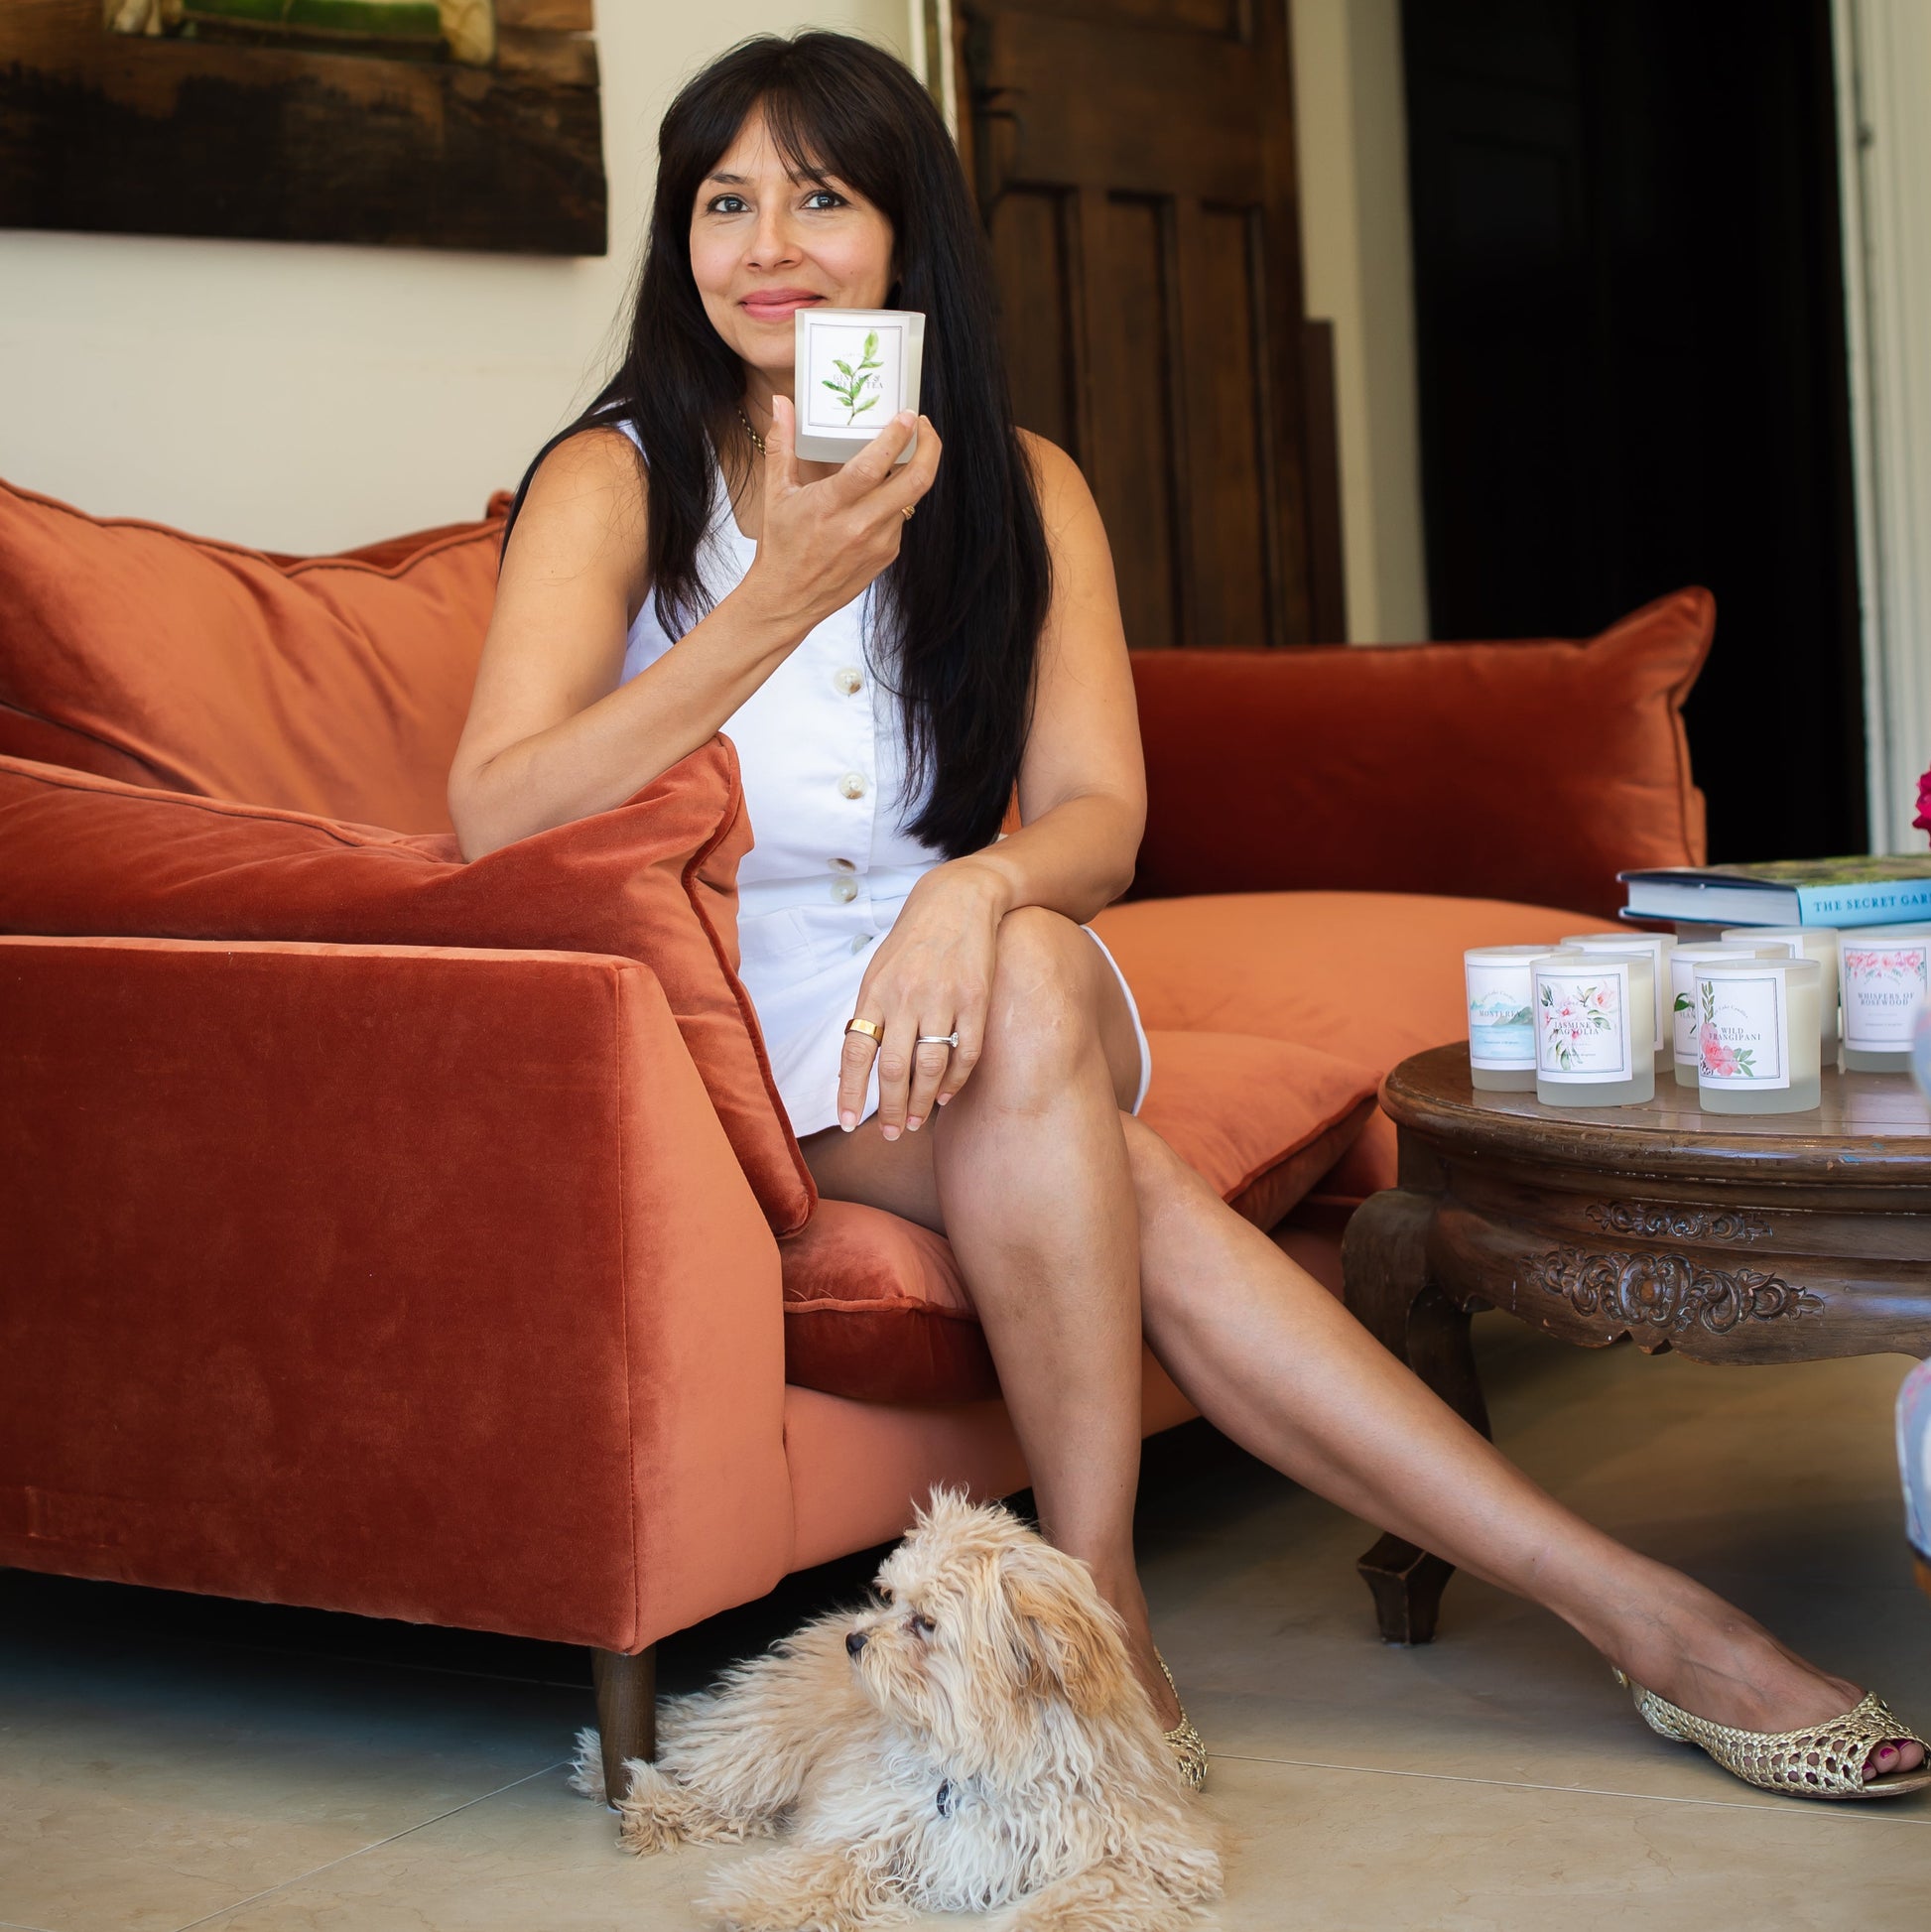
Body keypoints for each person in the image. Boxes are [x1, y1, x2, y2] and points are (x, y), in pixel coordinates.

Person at [449, 31, 1926, 1801]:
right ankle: (1619, 1618)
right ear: (679, 245)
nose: (767, 244)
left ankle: (1111, 1599)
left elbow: (1100, 821)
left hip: (980, 976)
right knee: (1113, 1153)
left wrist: (977, 885)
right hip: (739, 1012)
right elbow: (495, 810)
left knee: (1027, 963)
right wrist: (779, 598)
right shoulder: (616, 477)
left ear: (904, 240)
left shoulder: (1023, 483)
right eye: (723, 202)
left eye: (820, 198)